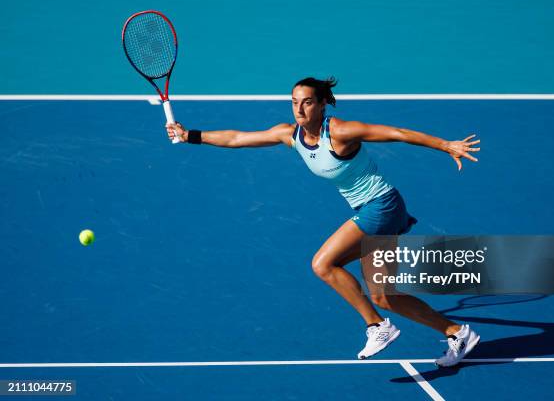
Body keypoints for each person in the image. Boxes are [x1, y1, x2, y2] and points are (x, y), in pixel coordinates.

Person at [166, 77, 481, 367]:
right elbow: (237, 138)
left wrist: (446, 144)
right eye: (294, 101)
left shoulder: (341, 132)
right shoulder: (290, 135)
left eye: (306, 102)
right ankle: (457, 332)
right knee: (385, 296)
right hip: (380, 209)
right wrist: (189, 135)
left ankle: (376, 327)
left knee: (323, 264)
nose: (299, 108)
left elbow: (395, 133)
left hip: (381, 206)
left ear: (322, 104)